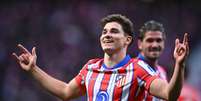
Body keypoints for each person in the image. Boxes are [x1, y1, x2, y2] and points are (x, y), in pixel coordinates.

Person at [12, 14, 189, 101]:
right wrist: (34, 70)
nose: (107, 35)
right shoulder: (90, 67)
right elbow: (66, 91)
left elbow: (169, 94)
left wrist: (179, 65)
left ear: (127, 40)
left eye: (113, 31)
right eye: (104, 32)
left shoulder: (139, 69)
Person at [136, 20, 168, 100]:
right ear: (140, 44)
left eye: (158, 40)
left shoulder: (162, 71)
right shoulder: (132, 69)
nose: (154, 45)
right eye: (149, 40)